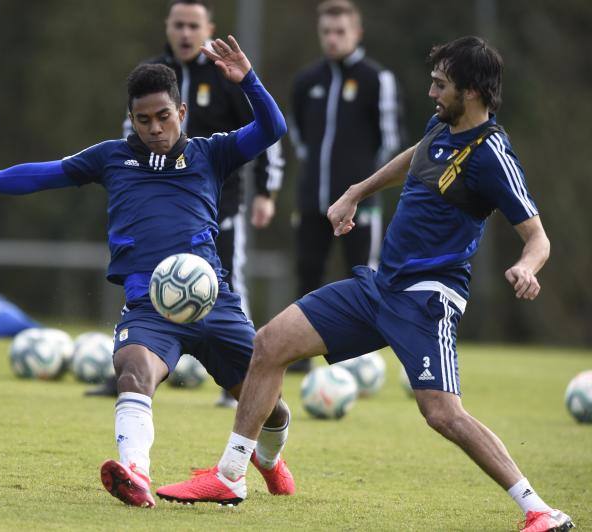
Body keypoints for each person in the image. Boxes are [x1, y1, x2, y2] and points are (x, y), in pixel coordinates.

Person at [155, 36, 575, 531]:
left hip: (426, 301)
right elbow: (418, 155)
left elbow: (538, 237)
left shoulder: (491, 154)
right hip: (380, 287)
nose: (431, 92)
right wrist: (356, 191)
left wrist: (528, 267)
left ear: (474, 91)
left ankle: (538, 510)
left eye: (441, 84)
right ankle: (231, 474)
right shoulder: (442, 124)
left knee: (442, 414)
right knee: (269, 344)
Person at [0, 36, 295, 509]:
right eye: (143, 120)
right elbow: (38, 175)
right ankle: (135, 473)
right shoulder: (111, 158)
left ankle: (267, 459)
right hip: (149, 304)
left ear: (181, 111)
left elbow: (272, 128)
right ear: (131, 119)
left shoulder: (212, 153)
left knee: (270, 403)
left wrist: (249, 81)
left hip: (214, 302)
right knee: (133, 371)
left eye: (163, 116)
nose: (154, 128)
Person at [86, 0, 284, 406]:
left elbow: (268, 134)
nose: (186, 33)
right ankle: (140, 362)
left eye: (194, 25)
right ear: (168, 27)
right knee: (152, 291)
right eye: (179, 24)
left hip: (222, 204)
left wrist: (266, 190)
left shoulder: (224, 79)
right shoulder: (150, 78)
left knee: (226, 282)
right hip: (164, 212)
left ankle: (235, 373)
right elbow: (127, 147)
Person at [287, 0, 402, 372]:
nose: (333, 39)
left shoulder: (377, 79)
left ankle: (364, 359)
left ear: (357, 33)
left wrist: (361, 184)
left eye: (340, 32)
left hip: (360, 203)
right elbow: (300, 139)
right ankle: (299, 357)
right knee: (307, 272)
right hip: (311, 201)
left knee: (365, 276)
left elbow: (390, 142)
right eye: (327, 32)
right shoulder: (306, 82)